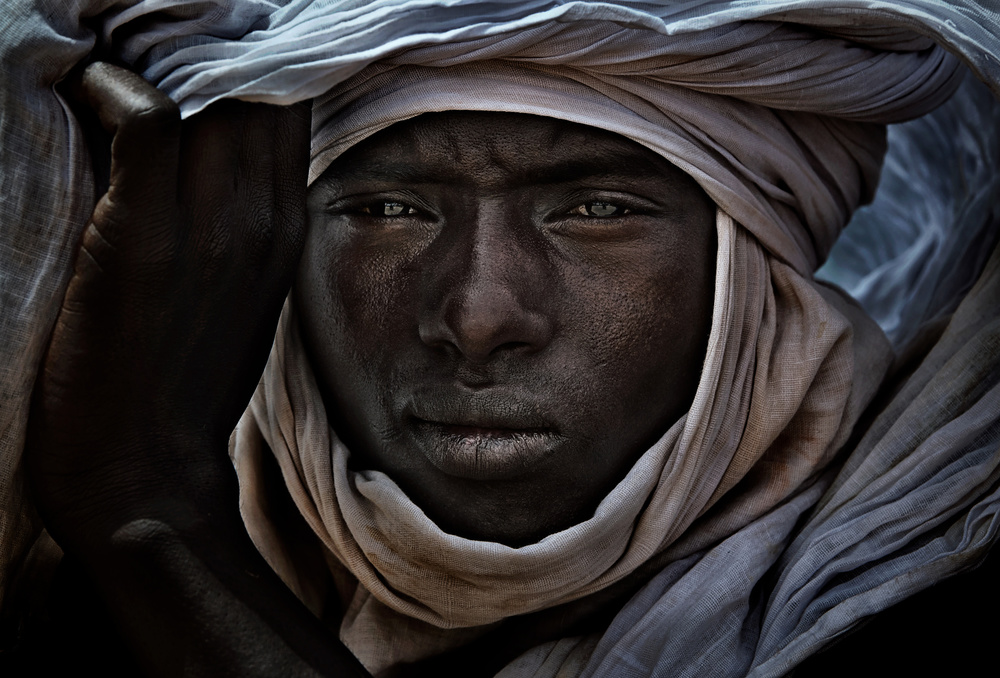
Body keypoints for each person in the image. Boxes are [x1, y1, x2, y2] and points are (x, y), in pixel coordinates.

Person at [2, 2, 1000, 676]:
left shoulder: (926, 579)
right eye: (390, 210)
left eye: (595, 210)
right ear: (263, 250)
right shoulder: (60, 604)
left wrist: (150, 510)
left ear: (748, 272)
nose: (477, 318)